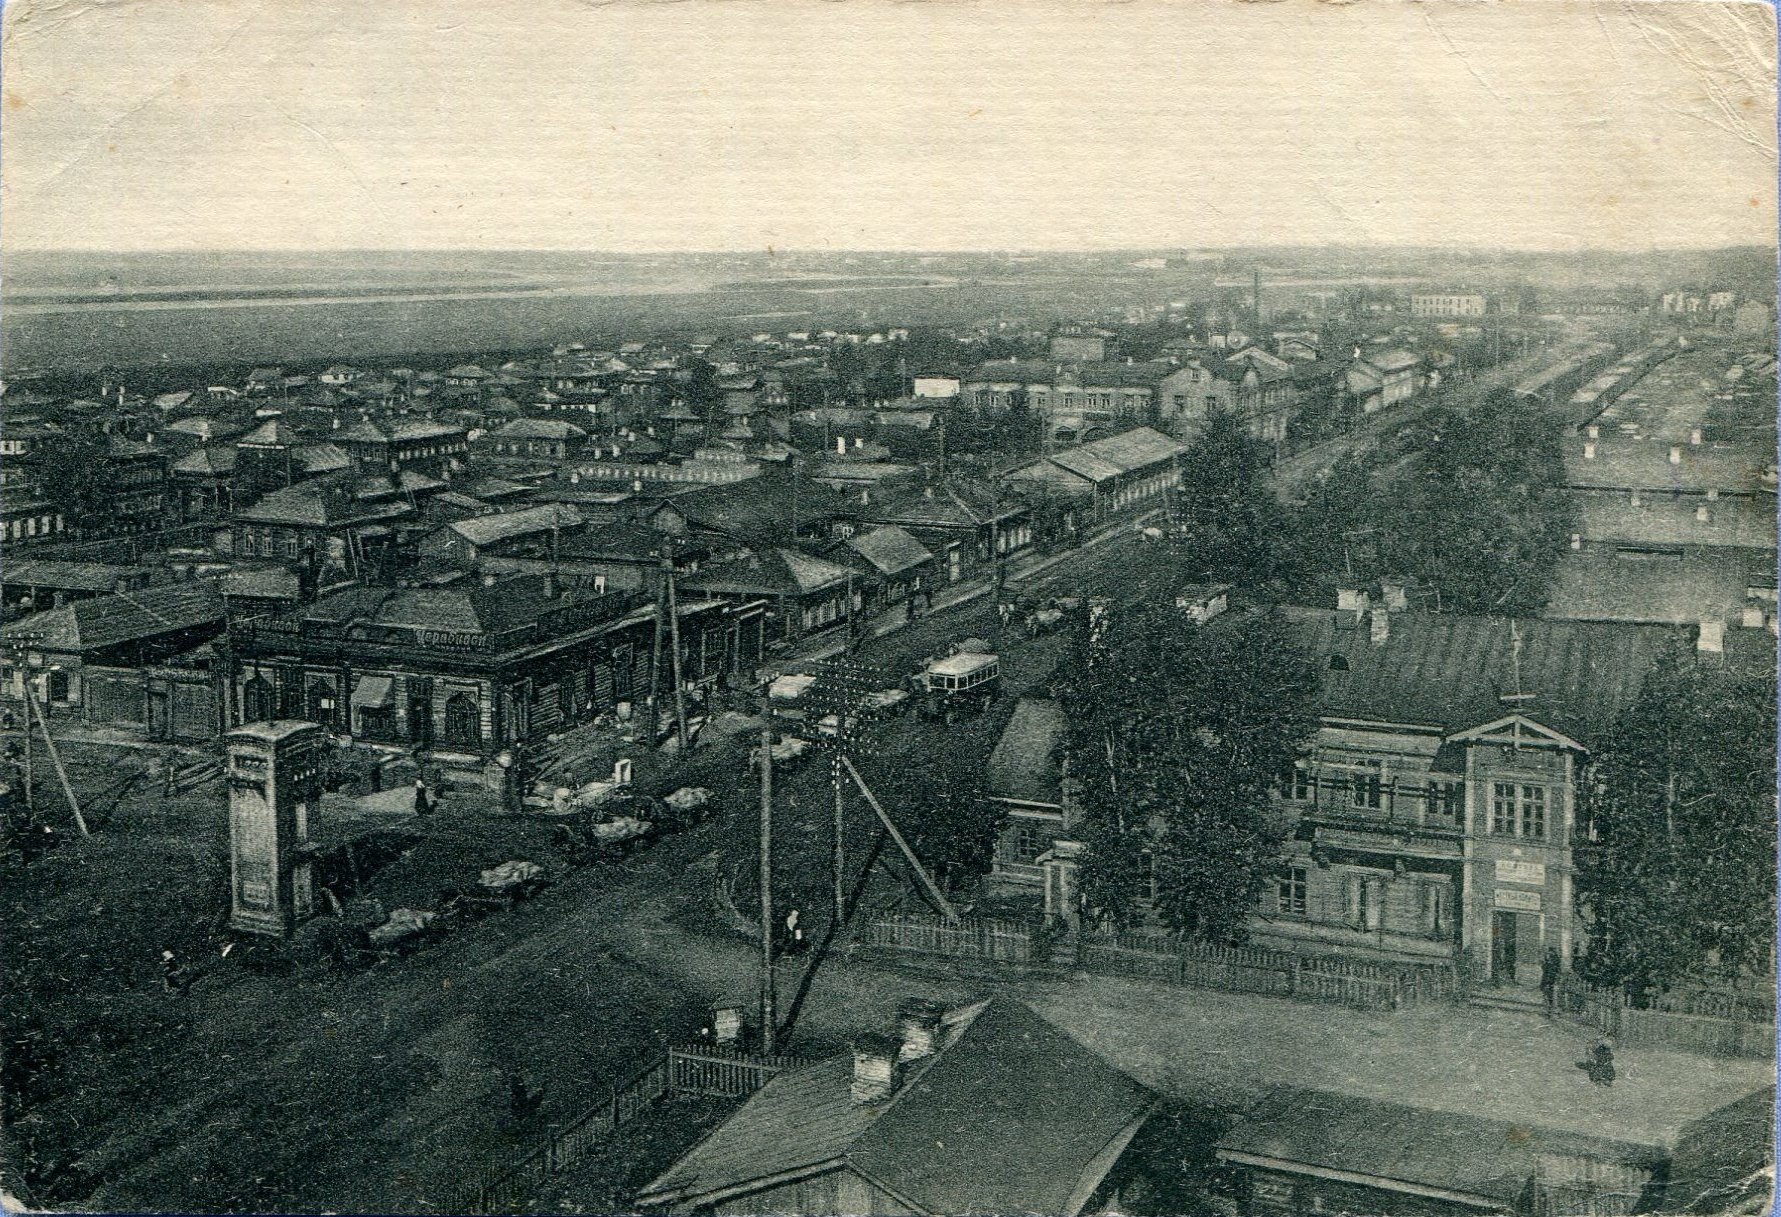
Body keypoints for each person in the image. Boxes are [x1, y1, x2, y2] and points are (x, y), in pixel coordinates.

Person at [1540, 948, 1561, 1014]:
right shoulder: (1549, 964)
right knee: (1547, 994)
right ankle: (1548, 1008)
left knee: (1549, 994)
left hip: (1549, 980)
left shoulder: (1552, 964)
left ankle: (1549, 1008)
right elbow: (1544, 969)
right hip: (1547, 980)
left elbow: (1546, 969)